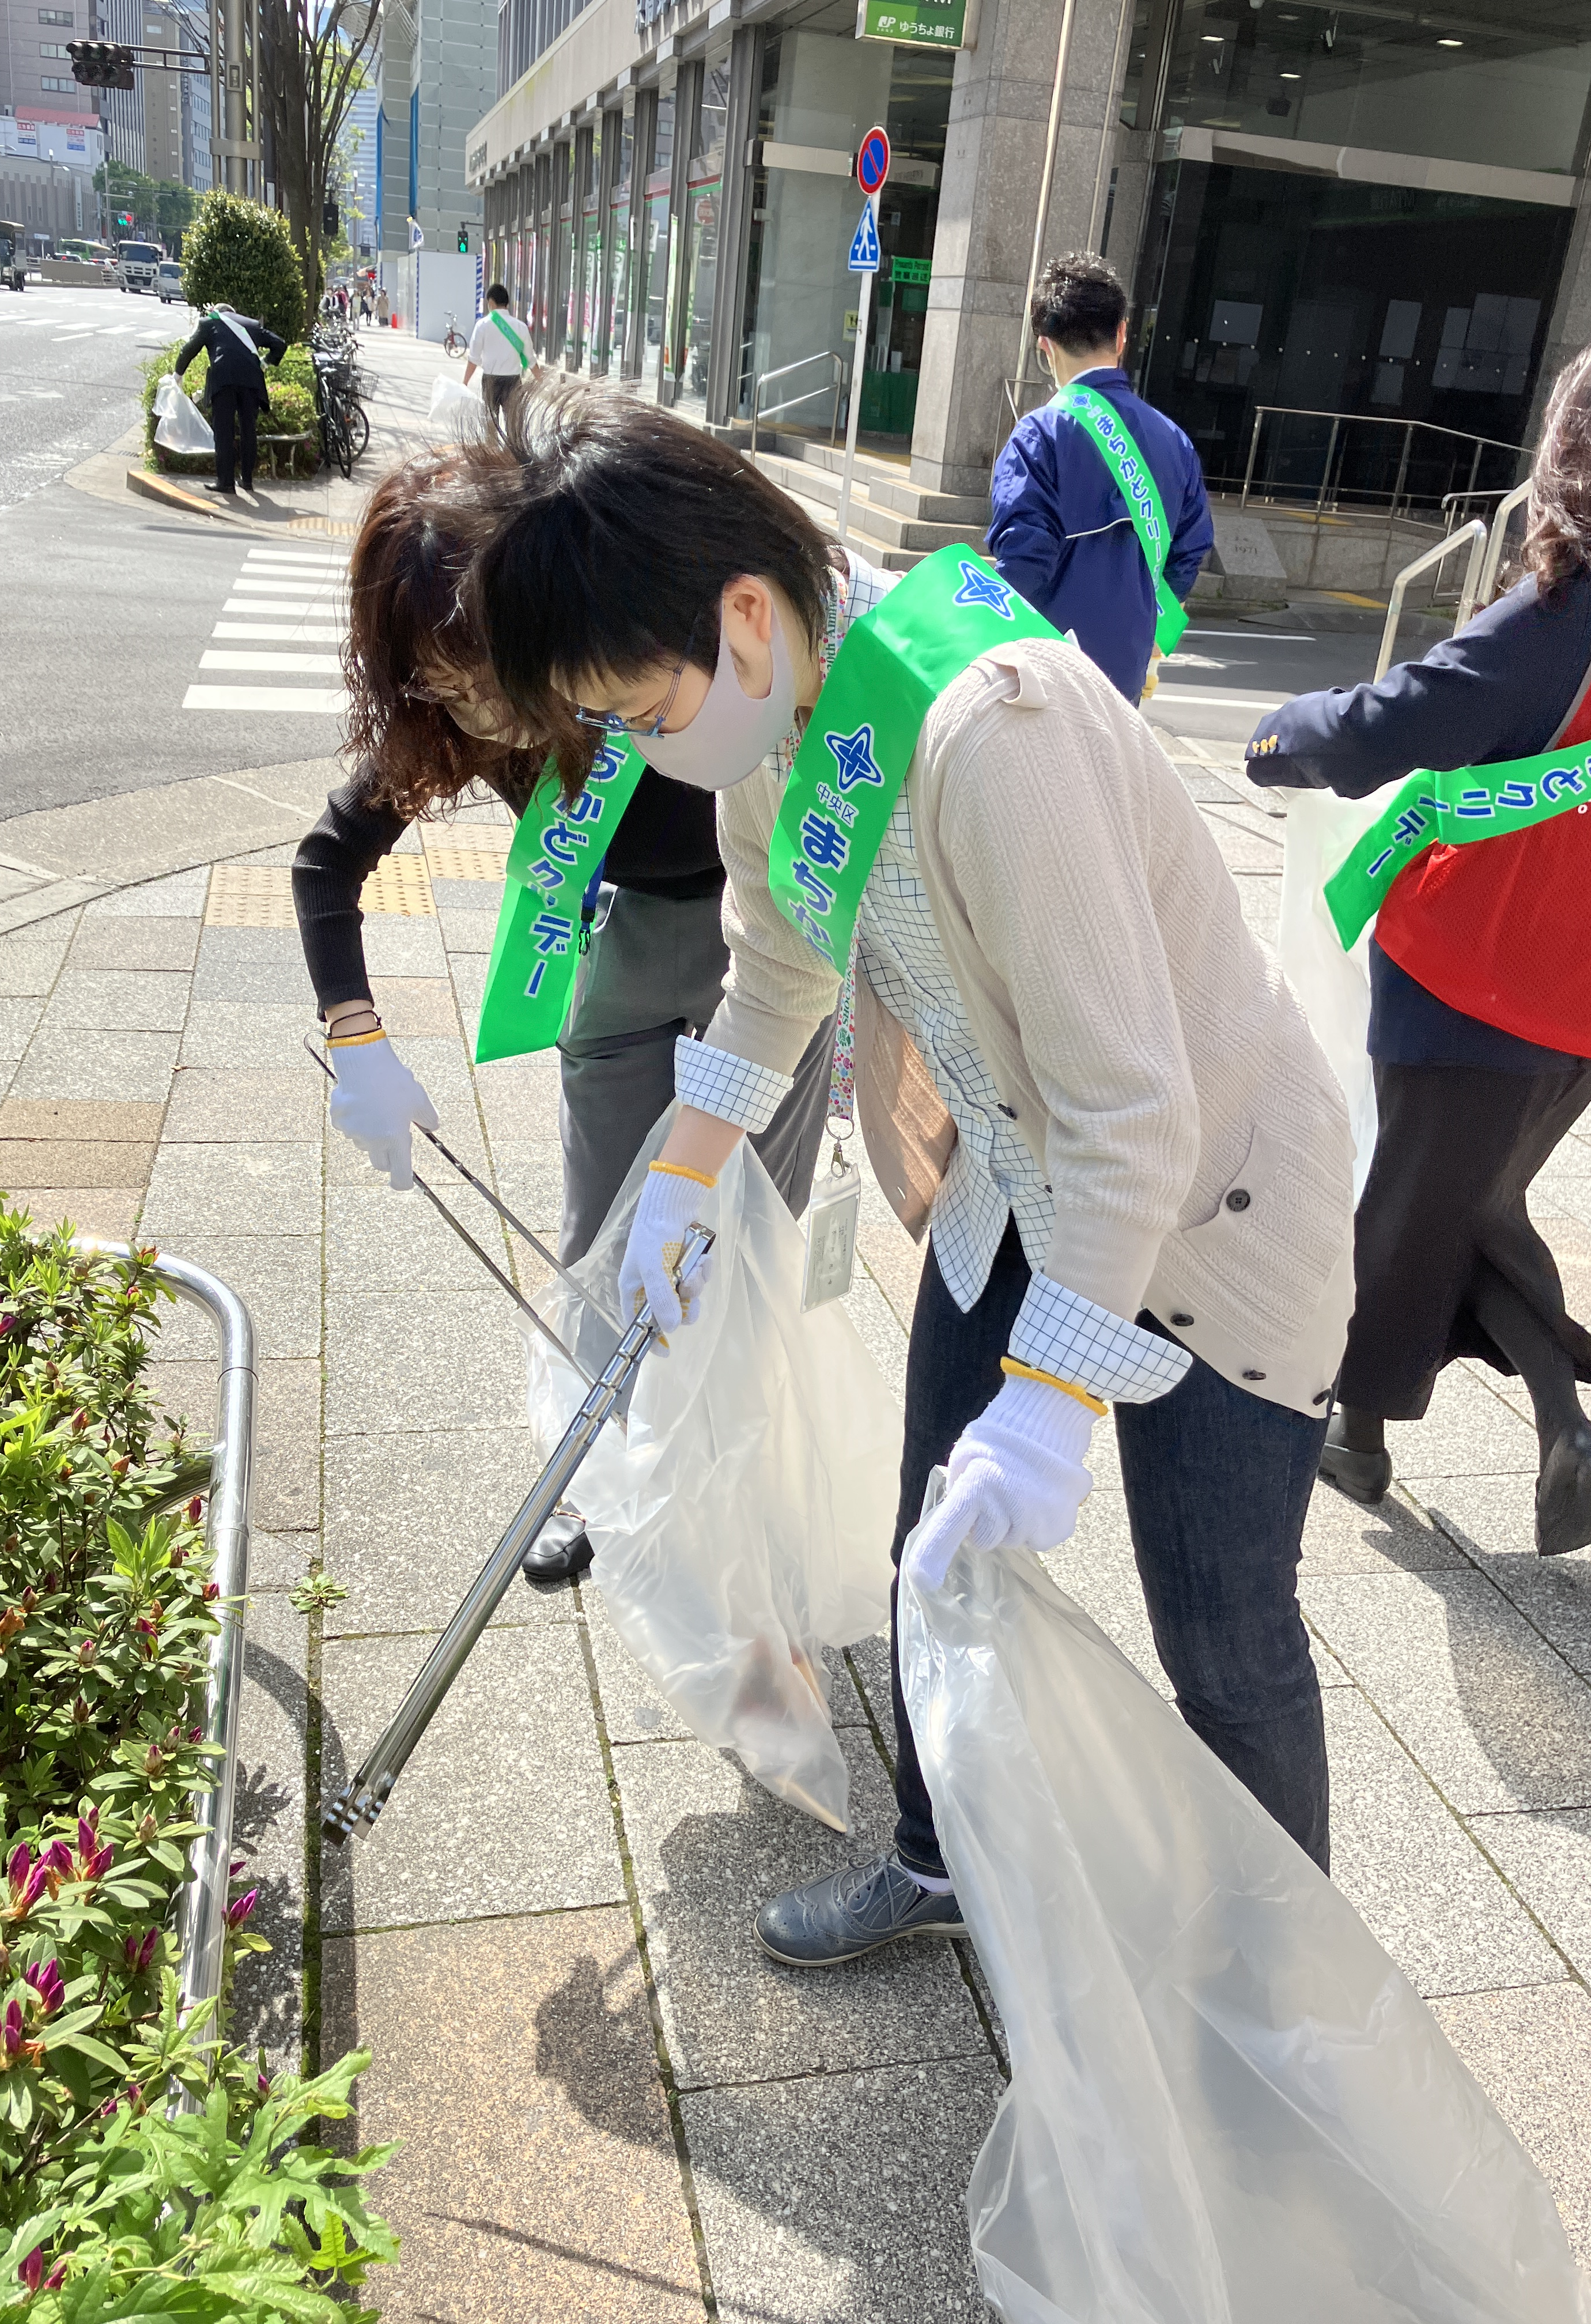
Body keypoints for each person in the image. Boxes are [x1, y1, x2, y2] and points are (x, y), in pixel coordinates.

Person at [470, 384, 1355, 1963]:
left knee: (1223, 1635)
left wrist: (1054, 1404)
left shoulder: (990, 726)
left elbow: (1135, 1113)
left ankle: (1281, 1981)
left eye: (642, 707)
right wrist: (682, 1170)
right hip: (1021, 1179)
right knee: (929, 1554)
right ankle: (942, 1859)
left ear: (744, 615)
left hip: (1216, 1211)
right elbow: (781, 968)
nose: (644, 750)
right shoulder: (790, 702)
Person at [292, 451, 837, 1582]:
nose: (477, 705)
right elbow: (326, 865)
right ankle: (591, 1477)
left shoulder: (638, 637)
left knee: (758, 1238)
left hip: (777, 941)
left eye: (481, 668)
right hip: (633, 943)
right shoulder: (459, 718)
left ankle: (739, 1479)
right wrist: (360, 1046)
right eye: (440, 683)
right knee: (605, 1238)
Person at [1246, 350, 1591, 1555]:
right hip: (1577, 1008)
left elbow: (1403, 718)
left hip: (1472, 973)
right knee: (1469, 1199)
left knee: (1413, 1207)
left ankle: (1360, 1428)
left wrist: (1280, 737)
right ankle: (1554, 1405)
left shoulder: (1562, 614)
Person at [987, 251, 1213, 704]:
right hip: (1121, 685)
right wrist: (1148, 634)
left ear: (1044, 347)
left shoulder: (1040, 436)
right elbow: (1189, 552)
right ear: (1123, 335)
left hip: (1040, 683)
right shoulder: (1175, 442)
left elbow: (1022, 566)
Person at [171, 303, 287, 499]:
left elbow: (189, 349)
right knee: (248, 429)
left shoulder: (209, 323)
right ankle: (247, 480)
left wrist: (178, 375)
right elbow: (280, 344)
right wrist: (266, 362)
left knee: (224, 431)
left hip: (223, 380)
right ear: (234, 312)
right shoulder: (251, 324)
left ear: (217, 312)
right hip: (252, 382)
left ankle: (225, 482)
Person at [463, 282, 534, 436]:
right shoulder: (521, 327)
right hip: (514, 382)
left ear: (490, 303)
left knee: (490, 425)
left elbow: (473, 359)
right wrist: (542, 381)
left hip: (491, 381)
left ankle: (493, 454)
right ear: (507, 304)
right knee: (514, 427)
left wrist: (465, 382)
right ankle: (514, 456)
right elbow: (531, 359)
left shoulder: (482, 325)